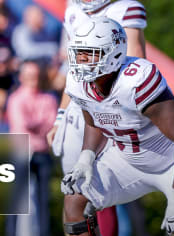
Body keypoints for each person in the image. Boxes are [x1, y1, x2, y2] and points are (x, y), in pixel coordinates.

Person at [60, 17, 174, 236]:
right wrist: (86, 157)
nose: (81, 60)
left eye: (90, 53)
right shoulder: (78, 83)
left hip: (173, 160)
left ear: (112, 54)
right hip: (127, 160)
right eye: (79, 53)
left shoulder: (136, 79)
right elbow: (94, 120)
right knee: (74, 202)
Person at [46, 1, 147, 235]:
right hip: (78, 108)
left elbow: (137, 64)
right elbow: (73, 71)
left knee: (102, 193)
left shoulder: (126, 8)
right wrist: (60, 116)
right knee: (72, 192)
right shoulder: (73, 9)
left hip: (110, 106)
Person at [5, 61, 58, 236]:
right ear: (21, 77)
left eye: (35, 75)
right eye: (28, 75)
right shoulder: (15, 99)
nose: (32, 79)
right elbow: (22, 125)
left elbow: (51, 125)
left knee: (43, 200)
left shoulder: (48, 98)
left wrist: (36, 125)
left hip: (41, 153)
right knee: (14, 202)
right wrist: (40, 125)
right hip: (21, 153)